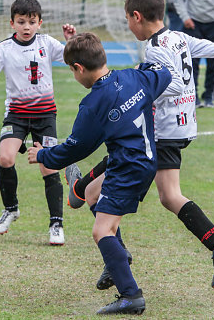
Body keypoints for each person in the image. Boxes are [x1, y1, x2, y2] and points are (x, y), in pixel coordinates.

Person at [65, 0, 214, 292]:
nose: (128, 26)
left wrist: (140, 81)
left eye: (128, 20)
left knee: (144, 176)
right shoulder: (177, 37)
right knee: (157, 192)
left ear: (137, 17)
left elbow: (171, 81)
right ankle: (86, 201)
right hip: (180, 127)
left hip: (162, 130)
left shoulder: (156, 49)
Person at [28, 32, 172, 315]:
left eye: (71, 70)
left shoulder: (93, 104)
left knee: (101, 230)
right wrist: (148, 67)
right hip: (144, 159)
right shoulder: (135, 78)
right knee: (91, 193)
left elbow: (74, 148)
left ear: (78, 68)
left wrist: (42, 155)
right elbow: (164, 74)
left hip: (128, 167)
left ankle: (131, 296)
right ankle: (118, 256)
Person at [0, 0, 76, 245]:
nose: (27, 27)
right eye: (21, 22)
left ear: (40, 23)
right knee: (5, 158)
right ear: (12, 23)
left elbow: (73, 57)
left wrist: (71, 41)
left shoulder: (46, 43)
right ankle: (11, 209)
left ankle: (56, 224)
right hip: (17, 115)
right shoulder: (3, 49)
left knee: (48, 166)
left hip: (45, 114)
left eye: (32, 22)